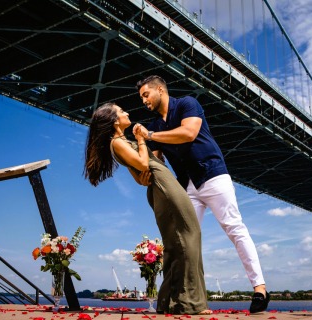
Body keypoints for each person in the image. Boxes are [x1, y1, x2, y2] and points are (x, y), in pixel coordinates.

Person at [135, 75, 270, 313]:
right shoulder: (154, 125)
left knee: (234, 228)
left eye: (146, 95)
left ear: (159, 89)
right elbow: (155, 161)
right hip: (187, 186)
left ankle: (260, 289)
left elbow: (188, 133)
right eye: (141, 98)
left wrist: (149, 136)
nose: (144, 101)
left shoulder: (188, 103)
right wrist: (142, 174)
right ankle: (188, 299)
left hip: (213, 175)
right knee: (185, 240)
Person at [83, 102, 211, 315]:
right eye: (122, 111)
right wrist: (143, 139)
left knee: (176, 242)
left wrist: (141, 173)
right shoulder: (117, 142)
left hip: (161, 184)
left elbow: (138, 170)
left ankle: (171, 301)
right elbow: (142, 165)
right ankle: (188, 302)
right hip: (164, 187)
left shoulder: (122, 141)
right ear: (115, 121)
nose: (127, 112)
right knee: (188, 236)